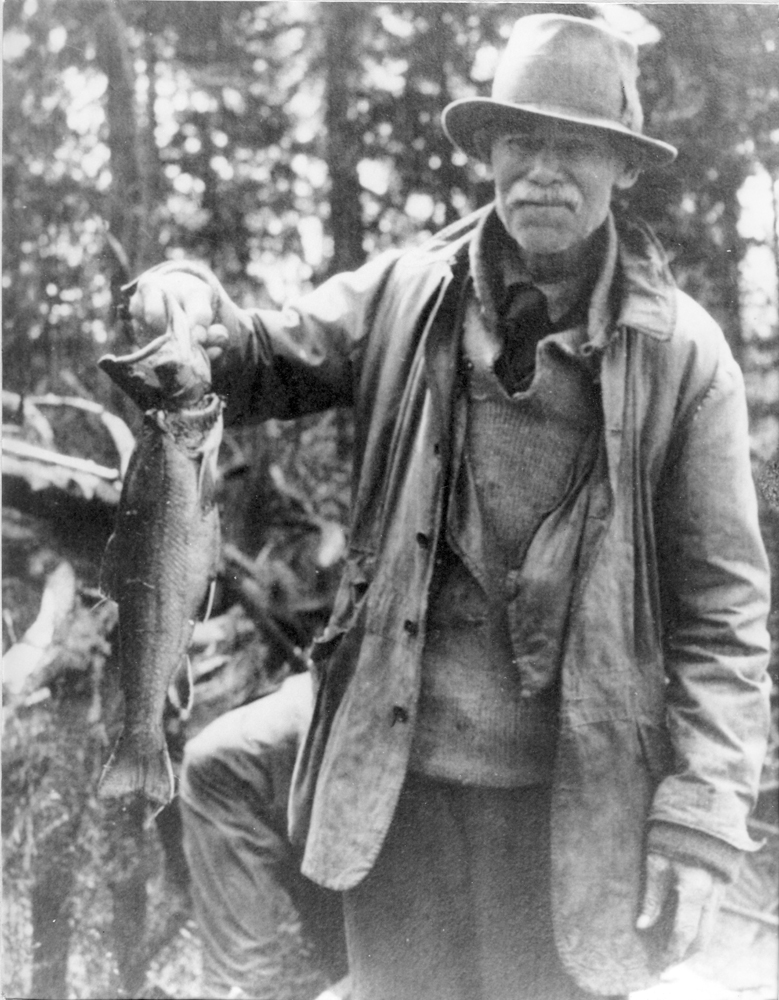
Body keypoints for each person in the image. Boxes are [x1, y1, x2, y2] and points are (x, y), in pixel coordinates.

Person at [123, 14, 772, 1000]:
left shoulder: (681, 358)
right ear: (485, 154)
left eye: (575, 146)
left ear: (621, 169)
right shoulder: (406, 292)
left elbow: (723, 622)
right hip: (400, 779)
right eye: (521, 142)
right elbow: (255, 355)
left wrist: (699, 813)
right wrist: (184, 304)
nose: (543, 172)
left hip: (568, 804)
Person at [179, 671, 349, 1000]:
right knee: (215, 763)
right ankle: (241, 983)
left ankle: (241, 984)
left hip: (388, 723)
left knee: (215, 768)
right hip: (345, 690)